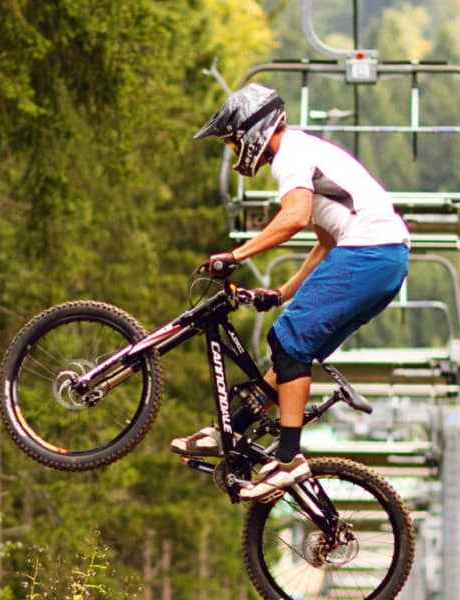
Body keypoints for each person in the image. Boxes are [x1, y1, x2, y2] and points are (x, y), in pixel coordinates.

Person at [171, 82, 410, 502]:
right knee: (289, 354)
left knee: (287, 342)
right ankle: (227, 431)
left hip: (372, 251)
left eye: (232, 141)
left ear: (252, 130)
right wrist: (282, 293)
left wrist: (236, 254)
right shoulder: (307, 153)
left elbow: (295, 217)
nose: (233, 150)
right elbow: (325, 242)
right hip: (384, 260)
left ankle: (288, 458)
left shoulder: (291, 156)